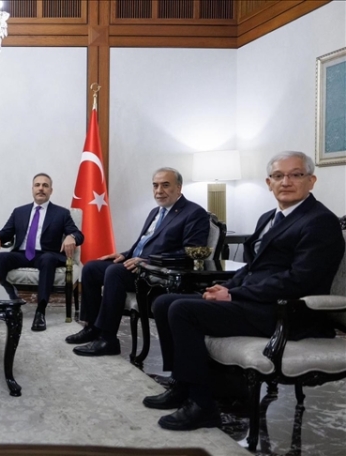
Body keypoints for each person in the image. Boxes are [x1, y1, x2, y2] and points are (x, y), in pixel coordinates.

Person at [144, 151, 344, 431]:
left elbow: (300, 280)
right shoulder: (269, 217)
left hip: (287, 311)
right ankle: (183, 385)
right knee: (164, 302)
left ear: (311, 180)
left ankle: (201, 405)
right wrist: (226, 286)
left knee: (182, 310)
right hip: (256, 302)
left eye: (296, 175)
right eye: (278, 176)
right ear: (269, 183)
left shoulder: (319, 221)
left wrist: (234, 295)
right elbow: (252, 267)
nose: (286, 181)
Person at [70, 167, 208, 356]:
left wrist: (146, 261)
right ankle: (92, 328)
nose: (159, 191)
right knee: (91, 268)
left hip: (157, 273)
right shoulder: (155, 211)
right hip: (139, 266)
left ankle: (108, 339)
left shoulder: (194, 213)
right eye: (155, 185)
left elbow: (190, 253)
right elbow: (145, 244)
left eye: (165, 185)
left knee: (115, 272)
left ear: (178, 187)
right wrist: (125, 255)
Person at [0, 173, 84, 332]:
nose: (41, 188)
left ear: (51, 190)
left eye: (45, 185)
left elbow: (78, 234)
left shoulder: (61, 213)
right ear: (32, 189)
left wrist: (71, 237)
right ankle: (5, 304)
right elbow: (6, 233)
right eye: (37, 185)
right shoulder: (19, 212)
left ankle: (40, 311)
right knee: (0, 258)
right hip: (22, 254)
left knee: (47, 259)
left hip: (47, 255)